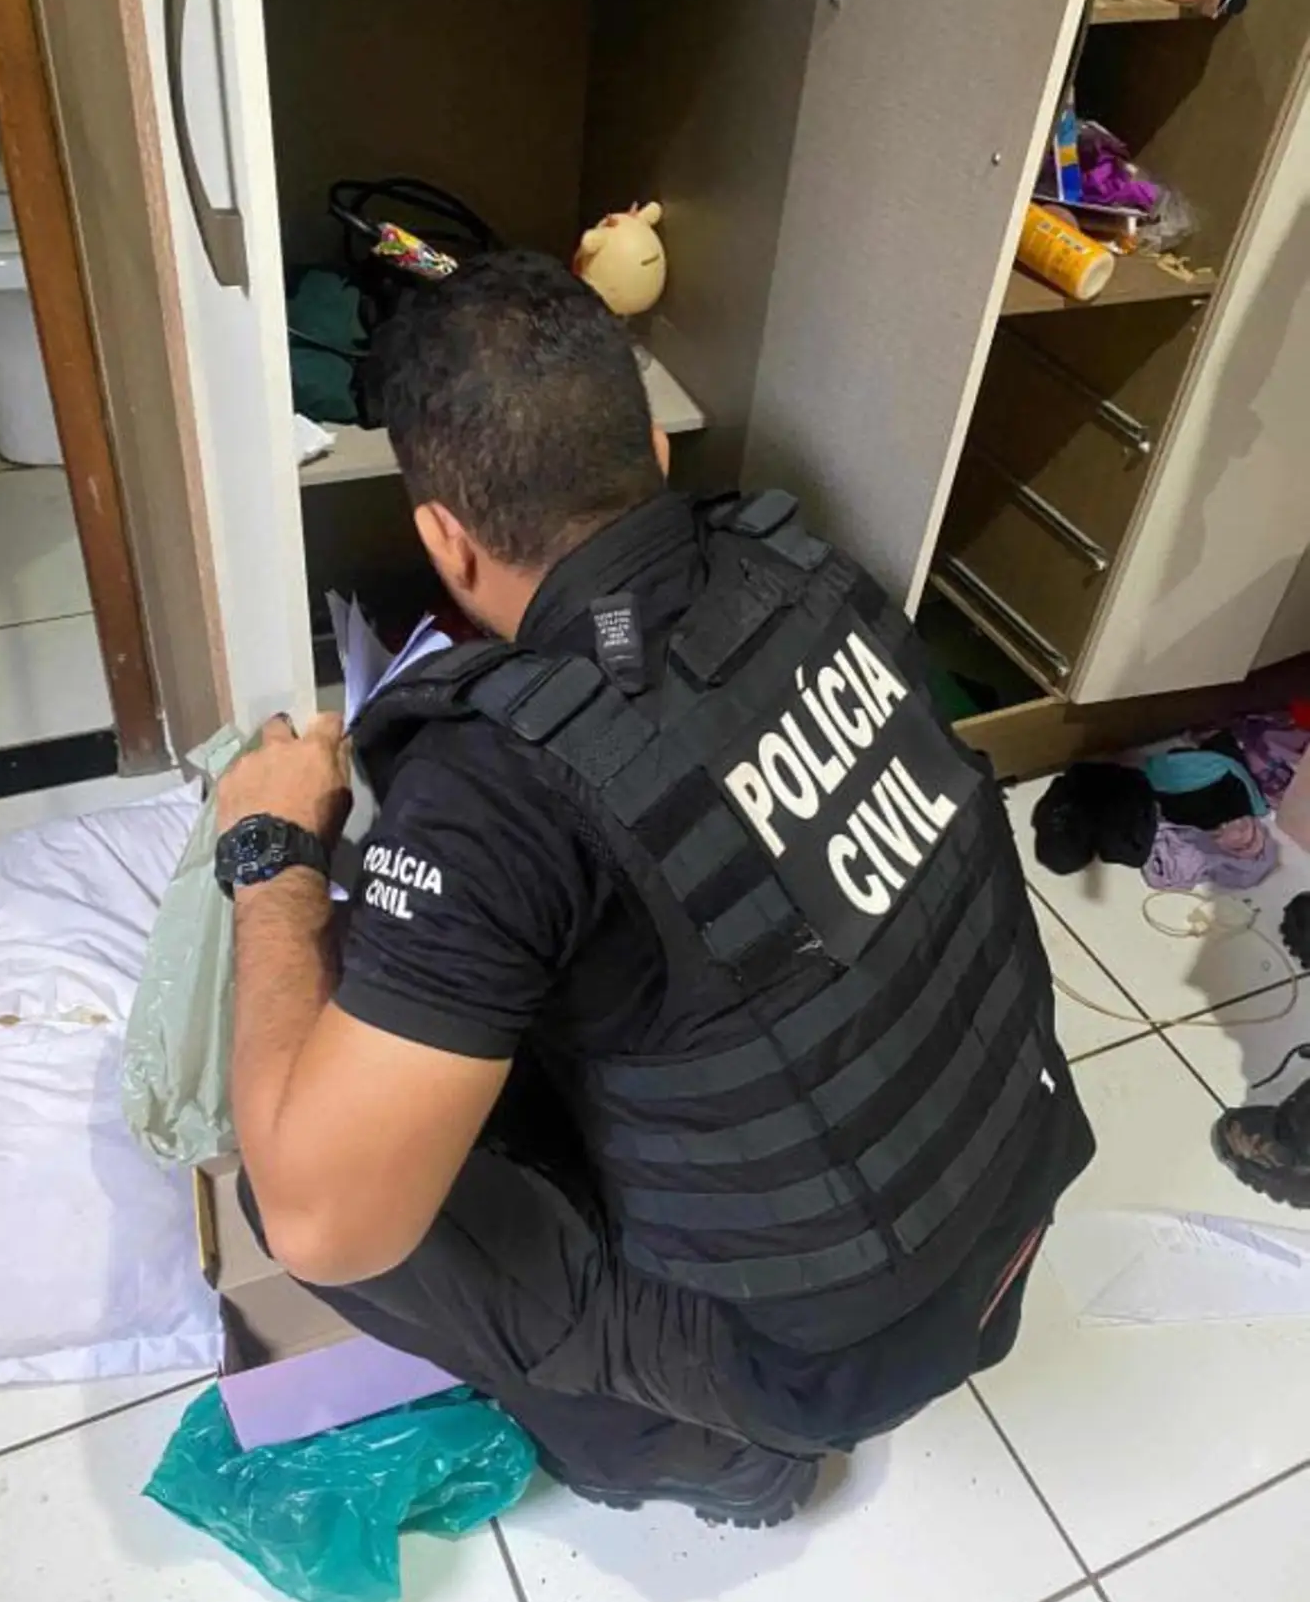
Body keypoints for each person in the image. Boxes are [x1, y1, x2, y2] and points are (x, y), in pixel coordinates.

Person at [215, 251, 1094, 1527]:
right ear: (656, 455)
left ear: (442, 537)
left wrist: (272, 860)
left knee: (295, 1179)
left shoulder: (496, 785)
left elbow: (320, 1222)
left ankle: (690, 1451)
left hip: (822, 1357)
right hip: (1007, 1198)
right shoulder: (805, 569)